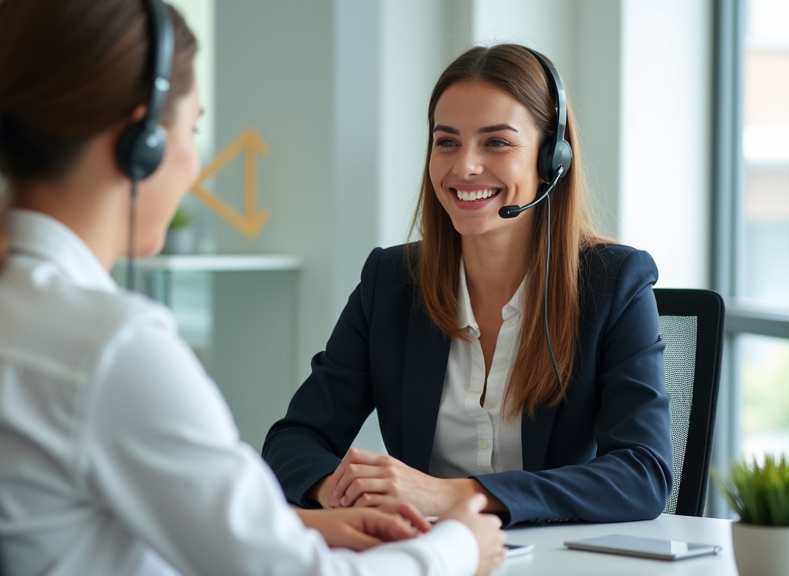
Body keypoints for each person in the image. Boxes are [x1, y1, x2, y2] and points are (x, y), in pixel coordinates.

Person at [0, 2, 507, 575]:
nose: (193, 165)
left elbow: (55, 519)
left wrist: (305, 526)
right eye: (194, 129)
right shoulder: (110, 348)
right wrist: (456, 546)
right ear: (140, 143)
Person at [262, 44, 673, 528]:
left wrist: (451, 495)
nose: (464, 167)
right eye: (447, 142)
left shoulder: (613, 283)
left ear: (551, 159)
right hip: (427, 553)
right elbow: (293, 441)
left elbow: (643, 473)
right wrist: (341, 490)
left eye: (496, 142)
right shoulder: (390, 282)